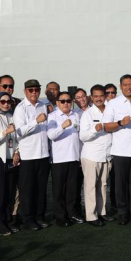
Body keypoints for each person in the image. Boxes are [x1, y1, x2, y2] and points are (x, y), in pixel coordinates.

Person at [103, 74, 131, 225]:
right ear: (121, 86)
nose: (128, 87)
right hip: (120, 151)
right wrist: (121, 123)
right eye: (125, 84)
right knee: (120, 185)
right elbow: (106, 126)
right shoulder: (113, 103)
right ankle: (123, 213)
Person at [14, 79, 51, 231]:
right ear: (25, 92)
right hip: (29, 155)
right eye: (31, 90)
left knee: (41, 188)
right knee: (28, 189)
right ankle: (28, 219)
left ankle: (39, 216)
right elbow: (20, 131)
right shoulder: (21, 108)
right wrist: (36, 121)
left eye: (36, 89)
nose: (34, 92)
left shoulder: (42, 105)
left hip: (43, 154)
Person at [0, 91, 20, 236]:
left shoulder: (12, 116)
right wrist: (5, 132)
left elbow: (17, 139)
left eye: (9, 101)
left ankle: (7, 220)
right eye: (3, 101)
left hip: (11, 159)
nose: (6, 104)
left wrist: (17, 152)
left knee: (10, 192)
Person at [47, 91, 83, 227]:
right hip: (59, 159)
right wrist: (62, 126)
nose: (66, 103)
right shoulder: (52, 116)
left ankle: (71, 213)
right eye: (63, 101)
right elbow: (51, 135)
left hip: (73, 157)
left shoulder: (76, 115)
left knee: (72, 189)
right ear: (57, 103)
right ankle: (60, 216)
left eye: (68, 101)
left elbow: (79, 137)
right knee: (58, 190)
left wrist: (80, 155)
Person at [80, 85, 113, 227]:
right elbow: (83, 136)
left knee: (103, 185)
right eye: (96, 96)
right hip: (92, 156)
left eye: (101, 95)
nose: (99, 98)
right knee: (91, 186)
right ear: (91, 97)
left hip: (107, 155)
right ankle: (91, 215)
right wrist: (95, 129)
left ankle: (102, 211)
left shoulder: (110, 111)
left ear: (105, 96)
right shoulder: (87, 114)